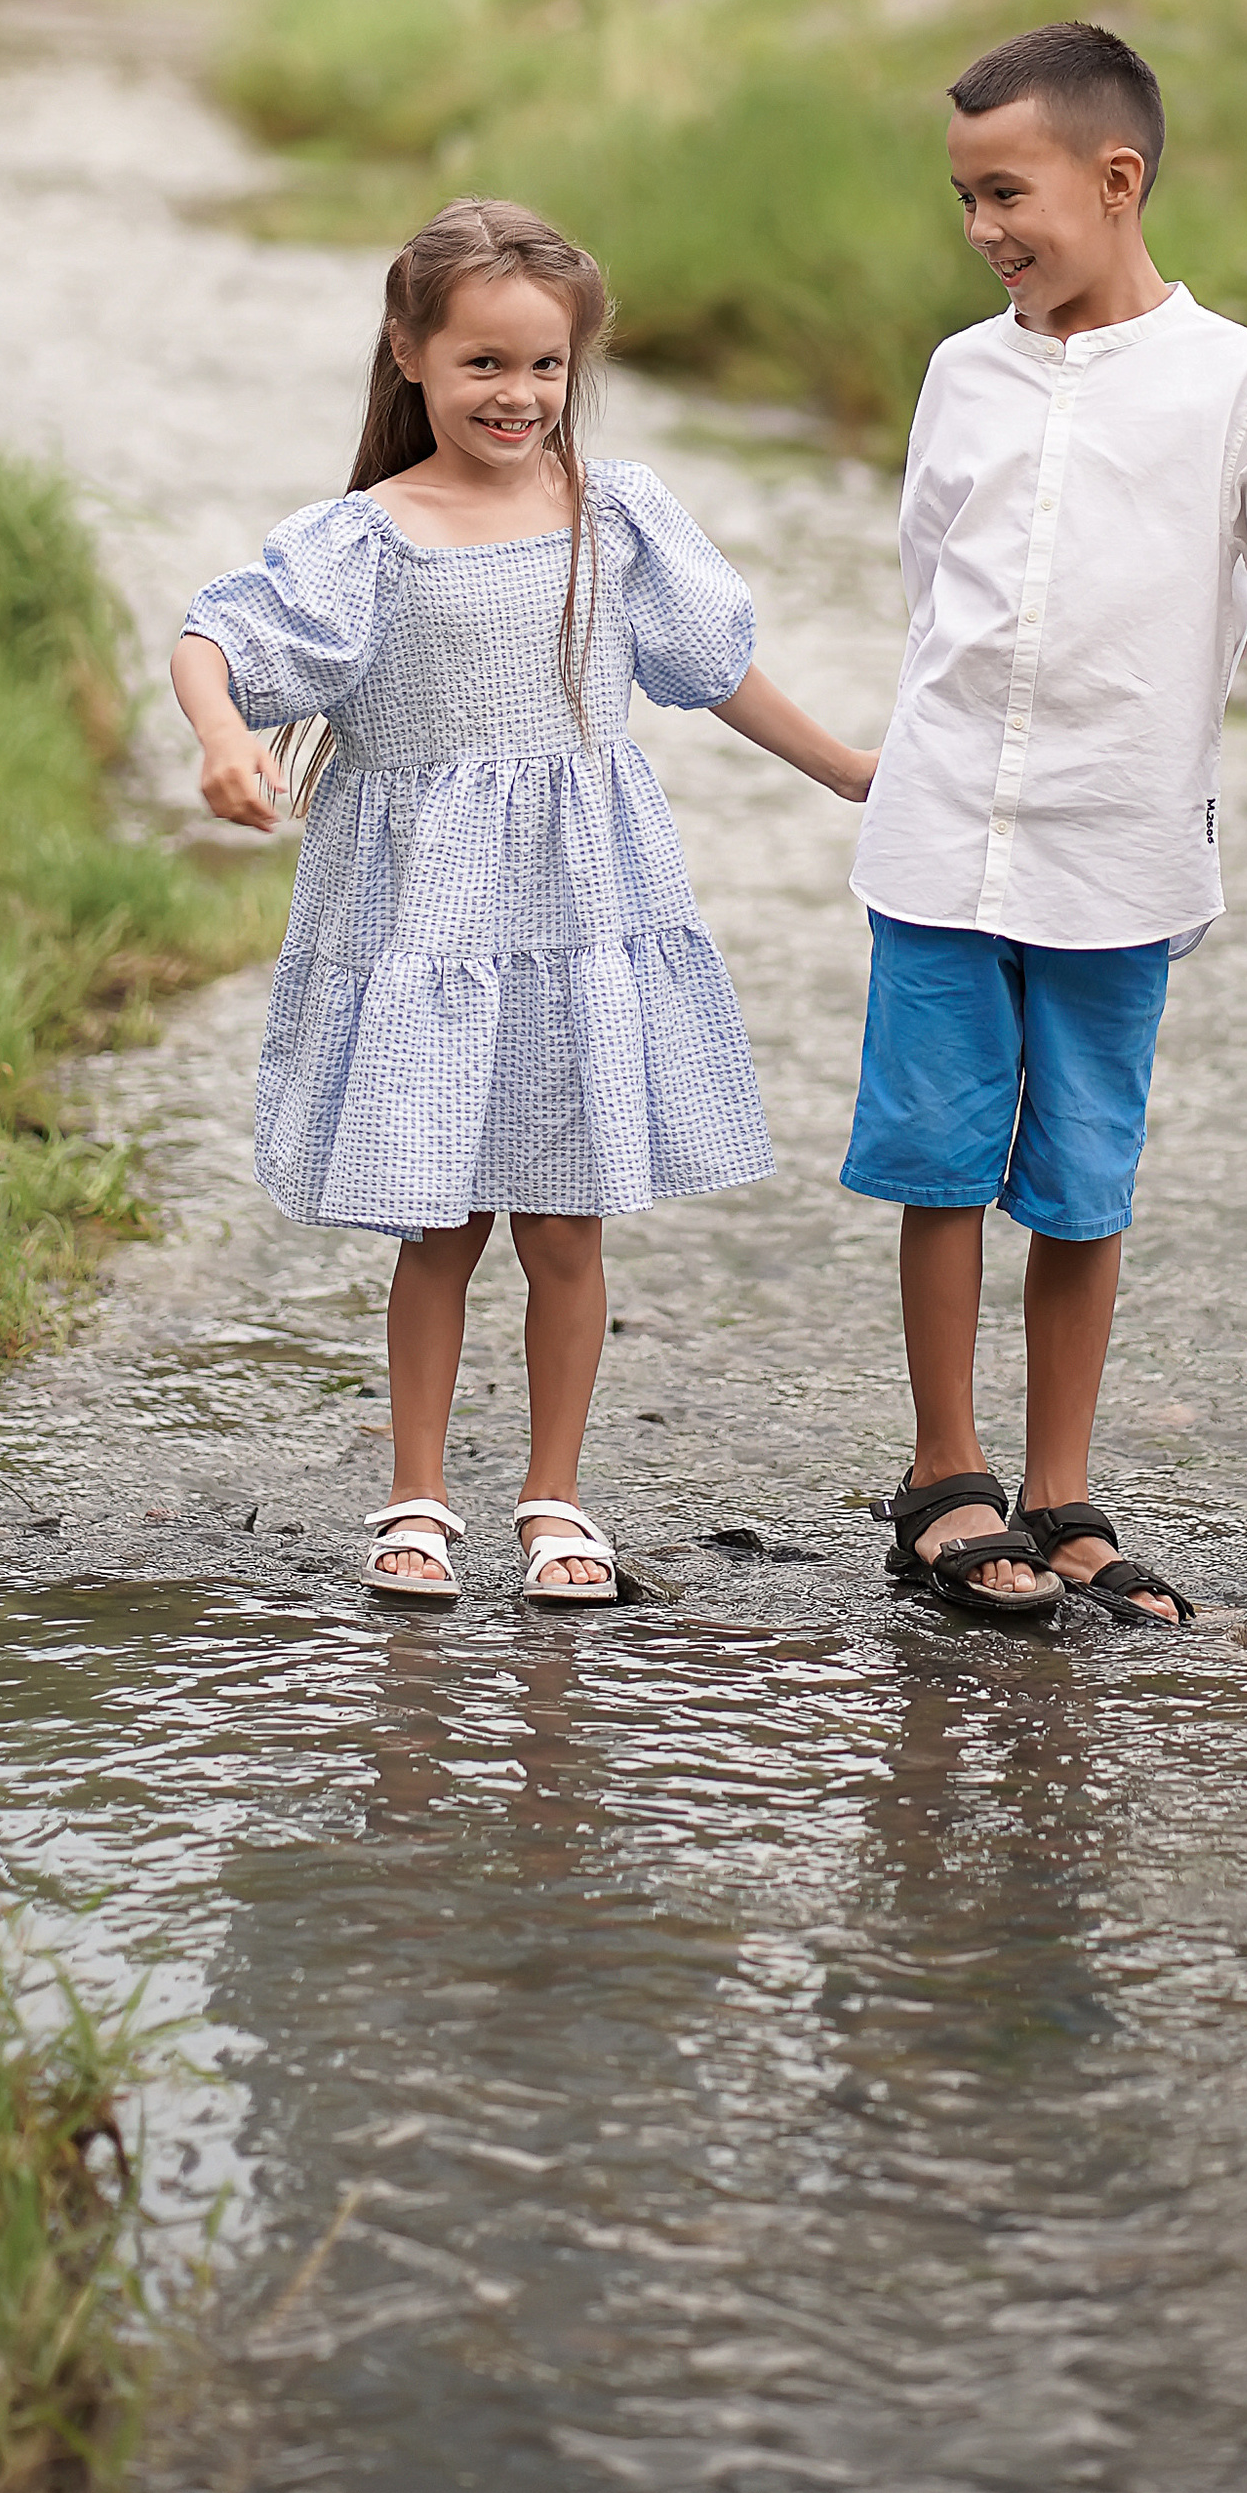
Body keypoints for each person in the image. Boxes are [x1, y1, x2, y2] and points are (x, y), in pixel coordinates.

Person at [173, 198, 874, 1609]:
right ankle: (416, 1499)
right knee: (437, 1223)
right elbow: (213, 637)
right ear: (410, 354)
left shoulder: (617, 518)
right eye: (484, 363)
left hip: (575, 915)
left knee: (564, 1225)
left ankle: (556, 1498)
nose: (518, 394)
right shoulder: (369, 539)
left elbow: (715, 674)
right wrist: (224, 742)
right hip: (427, 922)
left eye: (546, 366)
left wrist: (853, 771)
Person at [842, 20, 1247, 1628]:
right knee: (941, 1162)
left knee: (1084, 1178)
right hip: (943, 837)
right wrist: (917, 754)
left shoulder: (1243, 386)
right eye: (965, 199)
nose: (982, 228)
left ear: (1118, 179)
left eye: (1008, 194)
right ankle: (948, 1480)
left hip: (1122, 852)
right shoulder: (962, 372)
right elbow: (927, 585)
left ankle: (1061, 1492)